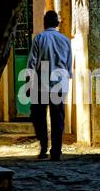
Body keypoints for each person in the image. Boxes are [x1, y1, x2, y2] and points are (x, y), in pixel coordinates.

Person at [27, 10, 72, 161]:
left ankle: (44, 146)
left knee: (38, 116)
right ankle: (56, 151)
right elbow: (68, 65)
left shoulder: (39, 39)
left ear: (44, 23)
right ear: (57, 24)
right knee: (57, 118)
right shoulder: (65, 41)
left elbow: (32, 63)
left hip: (41, 84)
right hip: (59, 84)